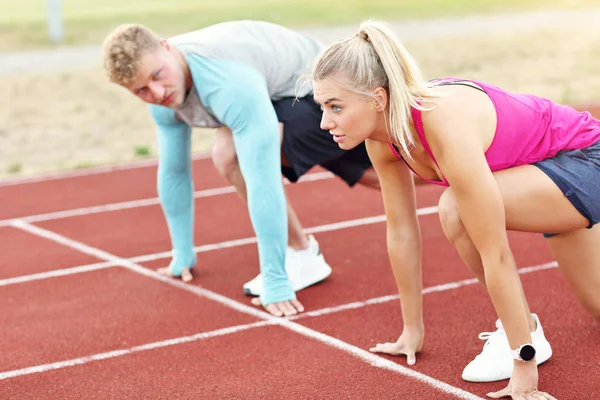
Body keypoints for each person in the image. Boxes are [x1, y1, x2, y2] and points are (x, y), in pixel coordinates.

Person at [310, 19, 600, 400]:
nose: (324, 122)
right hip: (536, 178)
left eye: (335, 107)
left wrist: (524, 368)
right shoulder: (382, 140)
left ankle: (524, 337)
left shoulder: (441, 121)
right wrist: (411, 331)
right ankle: (523, 330)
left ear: (378, 99)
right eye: (321, 106)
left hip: (585, 161)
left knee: (456, 209)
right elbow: (401, 232)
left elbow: (494, 250)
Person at [102, 20, 380, 317]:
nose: (156, 93)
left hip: (322, 93)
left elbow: (261, 176)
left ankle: (302, 254)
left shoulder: (226, 81)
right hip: (278, 97)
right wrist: (182, 253)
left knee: (230, 152)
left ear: (168, 47)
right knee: (371, 175)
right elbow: (174, 172)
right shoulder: (163, 98)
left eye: (158, 75)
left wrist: (275, 279)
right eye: (141, 90)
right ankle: (434, 174)